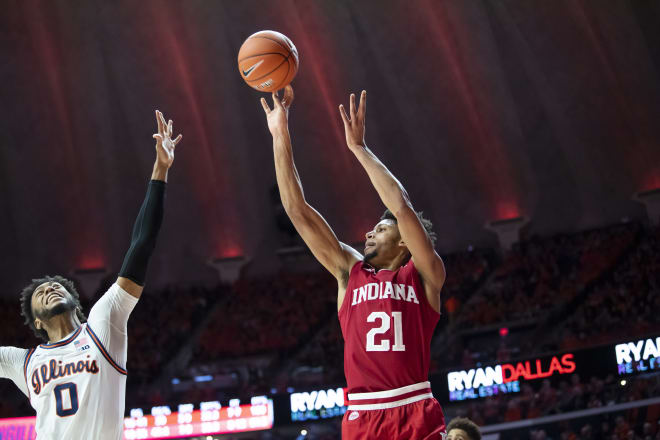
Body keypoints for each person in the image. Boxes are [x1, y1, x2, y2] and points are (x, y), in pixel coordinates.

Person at [261, 86, 446, 439]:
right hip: (363, 416)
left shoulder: (424, 275)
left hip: (413, 407)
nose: (369, 234)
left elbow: (401, 207)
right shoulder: (350, 271)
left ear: (405, 241)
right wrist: (279, 133)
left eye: (380, 229)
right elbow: (297, 211)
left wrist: (359, 149)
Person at [0, 110, 182, 440]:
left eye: (56, 286)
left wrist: (161, 169)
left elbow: (141, 245)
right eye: (42, 293)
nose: (50, 288)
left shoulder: (103, 323)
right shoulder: (21, 361)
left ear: (74, 301)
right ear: (36, 321)